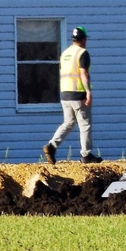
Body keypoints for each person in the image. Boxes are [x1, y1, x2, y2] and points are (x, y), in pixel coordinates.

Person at [43, 27, 101, 164]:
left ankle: (51, 146)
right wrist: (88, 92)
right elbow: (83, 73)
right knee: (84, 124)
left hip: (65, 94)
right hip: (78, 93)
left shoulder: (65, 53)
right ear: (83, 40)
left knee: (68, 123)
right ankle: (86, 155)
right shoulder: (82, 53)